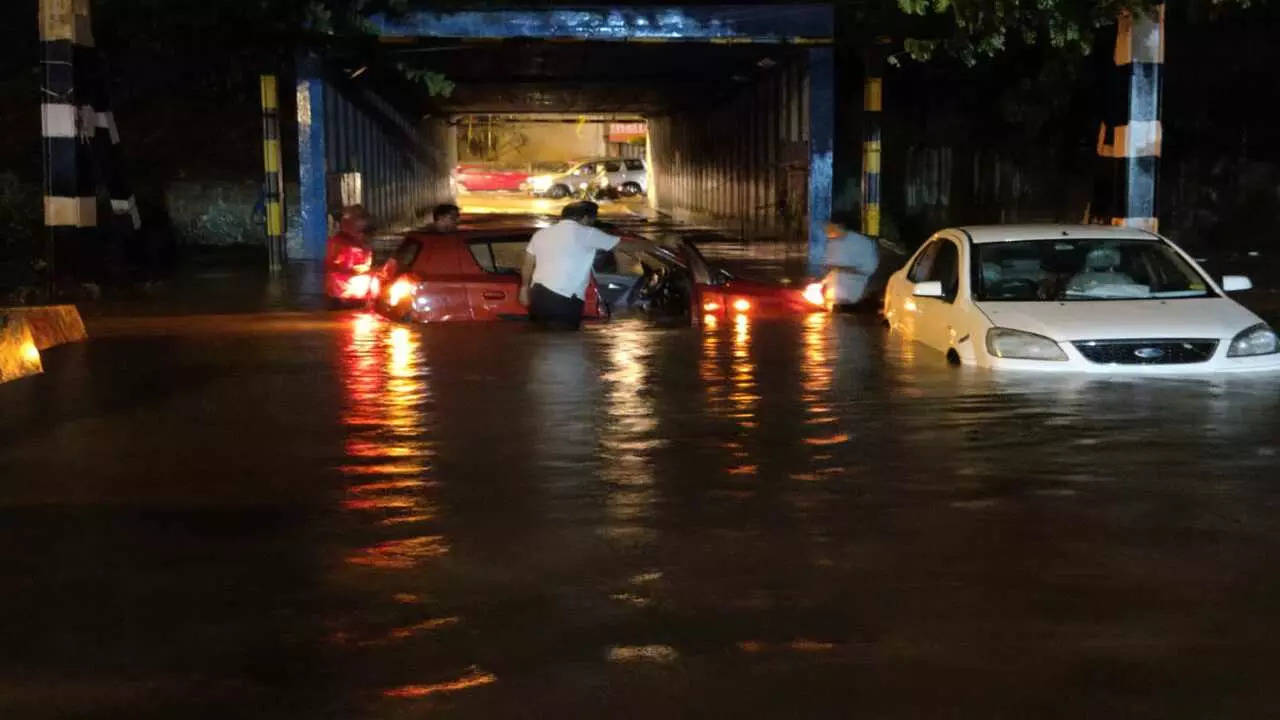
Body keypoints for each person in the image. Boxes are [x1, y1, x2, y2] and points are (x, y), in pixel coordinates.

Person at [518, 201, 652, 330]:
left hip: (538, 296)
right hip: (563, 299)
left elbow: (527, 264)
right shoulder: (587, 233)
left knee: (545, 340)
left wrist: (524, 289)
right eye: (593, 219)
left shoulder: (541, 234)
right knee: (565, 345)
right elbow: (625, 246)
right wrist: (655, 245)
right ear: (586, 218)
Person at [822, 217, 880, 311]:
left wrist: (843, 269)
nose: (826, 231)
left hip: (854, 298)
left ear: (839, 226)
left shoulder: (862, 243)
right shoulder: (832, 243)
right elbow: (830, 269)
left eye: (830, 228)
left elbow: (870, 268)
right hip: (834, 300)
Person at [324, 204, 374, 305]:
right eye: (358, 231)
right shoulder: (338, 244)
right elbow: (332, 266)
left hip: (358, 292)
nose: (361, 235)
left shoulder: (364, 245)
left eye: (363, 231)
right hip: (341, 293)